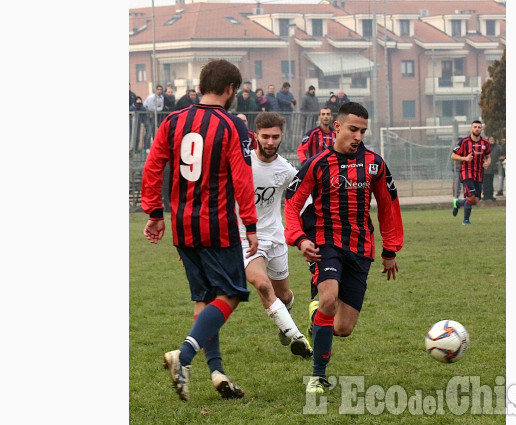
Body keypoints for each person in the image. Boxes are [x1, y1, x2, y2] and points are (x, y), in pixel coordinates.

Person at [141, 59, 258, 401]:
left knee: (205, 299)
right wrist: (250, 224)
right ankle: (185, 355)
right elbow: (242, 179)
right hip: (217, 225)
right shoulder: (232, 125)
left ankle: (217, 373)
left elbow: (153, 166)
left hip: (181, 225)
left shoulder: (173, 121)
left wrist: (153, 212)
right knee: (233, 293)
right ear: (230, 89)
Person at [284, 102, 404, 395]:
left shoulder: (374, 164)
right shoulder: (317, 163)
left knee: (343, 328)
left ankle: (317, 318)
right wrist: (300, 239)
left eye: (363, 130)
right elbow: (292, 204)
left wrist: (390, 251)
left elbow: (389, 206)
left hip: (360, 248)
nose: (358, 136)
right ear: (336, 127)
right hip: (326, 244)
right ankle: (318, 376)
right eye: (353, 129)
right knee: (328, 300)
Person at [240, 111, 313, 359]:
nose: (270, 142)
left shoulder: (286, 171)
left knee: (283, 295)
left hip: (276, 238)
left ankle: (285, 319)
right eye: (265, 136)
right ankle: (296, 336)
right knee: (261, 284)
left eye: (275, 137)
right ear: (256, 135)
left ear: (281, 137)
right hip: (246, 237)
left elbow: (303, 201)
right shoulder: (243, 165)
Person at [451, 120, 491, 225]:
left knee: (476, 200)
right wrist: (465, 158)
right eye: (475, 127)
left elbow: (488, 156)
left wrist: (487, 163)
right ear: (471, 129)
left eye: (479, 127)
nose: (477, 129)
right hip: (466, 172)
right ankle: (466, 220)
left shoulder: (485, 143)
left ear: (481, 129)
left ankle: (458, 203)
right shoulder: (464, 142)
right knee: (471, 196)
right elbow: (453, 156)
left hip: (478, 173)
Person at [482, 136, 502, 201]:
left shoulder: (497, 147)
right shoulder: (485, 147)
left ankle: (490, 195)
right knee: (485, 182)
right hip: (485, 167)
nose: (491, 140)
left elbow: (502, 153)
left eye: (493, 139)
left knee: (490, 182)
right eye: (490, 139)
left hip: (493, 167)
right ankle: (485, 195)